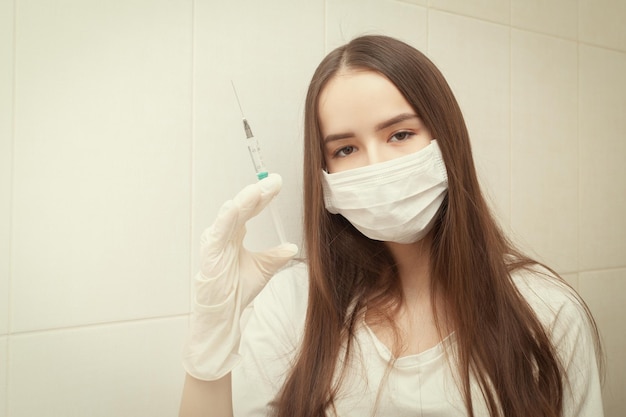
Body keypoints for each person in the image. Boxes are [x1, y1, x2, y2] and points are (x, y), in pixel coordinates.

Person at [178, 35, 604, 417]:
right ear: (324, 173)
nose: (376, 167)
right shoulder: (291, 307)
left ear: (445, 140)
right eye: (346, 149)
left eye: (399, 135)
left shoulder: (546, 312)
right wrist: (210, 343)